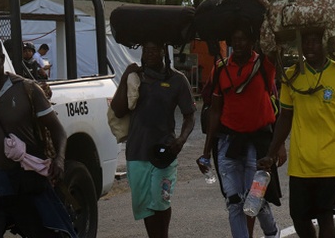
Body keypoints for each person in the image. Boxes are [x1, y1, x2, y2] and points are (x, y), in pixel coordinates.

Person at [0, 37, 75, 237]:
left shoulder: (27, 90)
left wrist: (59, 160)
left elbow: (57, 129)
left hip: (26, 183)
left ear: (1, 59)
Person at [257, 28, 335, 238]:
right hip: (300, 163)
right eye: (306, 42)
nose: (310, 46)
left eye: (315, 41)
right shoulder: (292, 75)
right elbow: (285, 117)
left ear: (326, 44)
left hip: (331, 163)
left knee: (325, 216)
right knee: (299, 217)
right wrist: (271, 151)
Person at [198, 25, 283, 238]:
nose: (239, 44)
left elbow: (274, 45)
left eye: (244, 39)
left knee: (254, 199)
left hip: (258, 142)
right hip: (228, 142)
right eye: (235, 40)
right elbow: (215, 112)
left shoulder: (264, 65)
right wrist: (206, 153)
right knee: (234, 201)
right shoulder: (220, 68)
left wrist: (279, 145)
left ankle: (271, 232)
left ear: (253, 42)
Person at [110, 41, 196, 238]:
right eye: (145, 50)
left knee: (160, 201)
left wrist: (181, 140)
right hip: (136, 152)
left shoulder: (177, 80)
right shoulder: (135, 77)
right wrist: (124, 77)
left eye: (153, 49)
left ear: (163, 52)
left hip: (164, 152)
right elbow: (118, 109)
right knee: (145, 206)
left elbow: (190, 115)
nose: (149, 53)